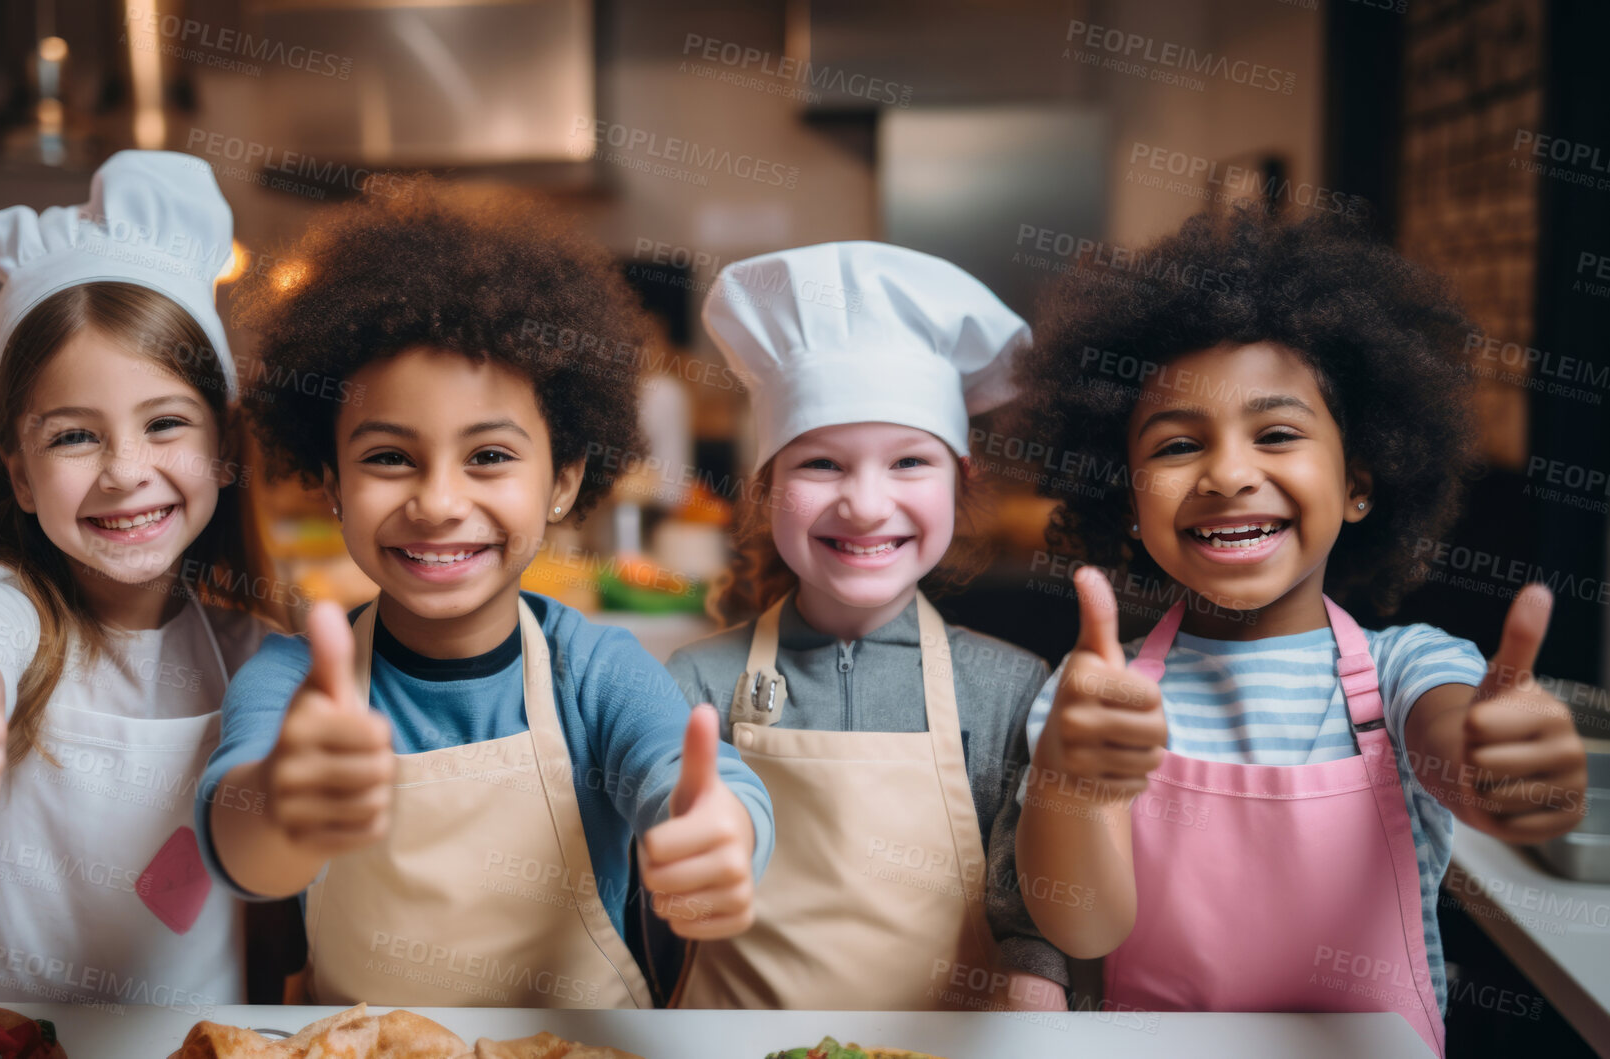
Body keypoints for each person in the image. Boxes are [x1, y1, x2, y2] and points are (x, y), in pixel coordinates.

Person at [1009, 204, 1589, 1055]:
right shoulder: (1094, 696)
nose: (1229, 473)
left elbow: (1469, 759)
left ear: (1358, 483)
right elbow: (1084, 927)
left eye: (1276, 433)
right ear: (1125, 500)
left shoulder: (1407, 668)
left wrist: (1516, 770)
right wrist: (1073, 784)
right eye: (1175, 447)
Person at [196, 178, 775, 1008]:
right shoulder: (291, 682)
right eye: (388, 456)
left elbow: (688, 778)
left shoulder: (597, 669)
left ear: (565, 481)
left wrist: (721, 828)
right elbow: (241, 843)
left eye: (490, 457)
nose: (436, 501)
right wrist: (285, 807)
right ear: (329, 482)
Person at [0, 150, 288, 1008]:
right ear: (20, 474)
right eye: (75, 436)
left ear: (221, 449)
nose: (124, 471)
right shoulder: (1, 609)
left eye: (165, 422)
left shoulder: (256, 656)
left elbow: (243, 872)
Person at [666, 241, 1067, 1011]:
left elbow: (1030, 910)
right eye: (819, 464)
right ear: (765, 487)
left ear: (962, 480)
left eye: (909, 462)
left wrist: (1034, 982)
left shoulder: (1010, 688)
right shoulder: (694, 682)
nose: (864, 503)